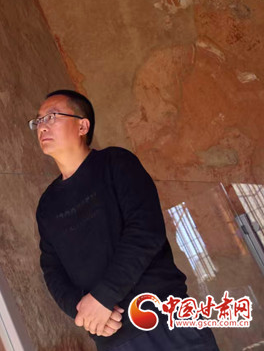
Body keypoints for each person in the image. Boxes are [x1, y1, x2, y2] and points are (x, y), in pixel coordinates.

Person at [33, 90, 219, 350]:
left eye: (52, 117)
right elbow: (52, 269)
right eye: (38, 121)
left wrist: (103, 297)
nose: (42, 126)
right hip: (111, 337)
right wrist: (82, 311)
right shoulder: (48, 204)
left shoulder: (115, 163)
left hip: (164, 320)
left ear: (82, 126)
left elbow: (146, 231)